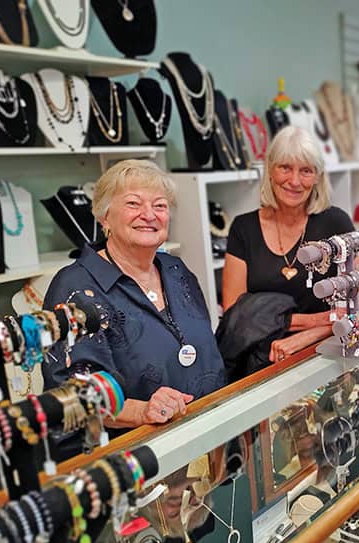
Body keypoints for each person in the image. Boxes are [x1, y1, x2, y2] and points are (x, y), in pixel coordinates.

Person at [43, 159, 226, 434]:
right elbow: (72, 395)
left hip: (208, 431)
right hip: (136, 453)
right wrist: (141, 411)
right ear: (105, 217)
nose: (149, 215)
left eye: (160, 205)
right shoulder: (75, 288)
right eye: (133, 204)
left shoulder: (177, 272)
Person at [222, 126, 359, 363]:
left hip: (325, 352)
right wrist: (320, 319)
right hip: (260, 358)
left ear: (318, 177)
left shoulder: (336, 223)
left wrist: (305, 337)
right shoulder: (243, 228)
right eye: (285, 168)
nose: (294, 181)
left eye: (305, 171)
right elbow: (233, 312)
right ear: (270, 170)